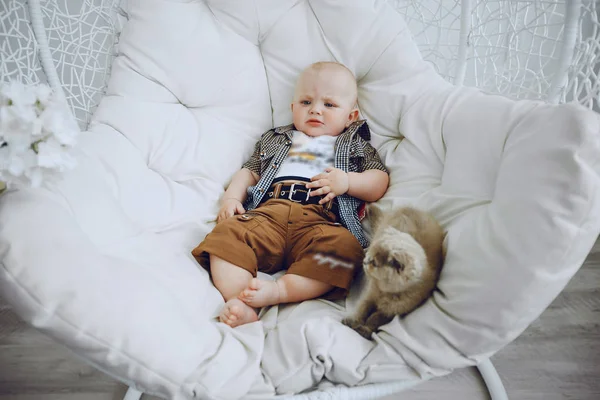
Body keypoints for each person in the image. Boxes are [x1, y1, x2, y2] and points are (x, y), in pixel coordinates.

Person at [192, 61, 389, 327]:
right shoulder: (276, 138)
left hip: (320, 221)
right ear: (293, 108)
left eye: (329, 105)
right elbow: (249, 172)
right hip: (268, 214)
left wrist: (347, 181)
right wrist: (231, 199)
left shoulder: (355, 145)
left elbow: (378, 181)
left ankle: (280, 291)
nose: (316, 109)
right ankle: (240, 299)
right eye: (306, 102)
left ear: (350, 117)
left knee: (344, 250)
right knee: (225, 234)